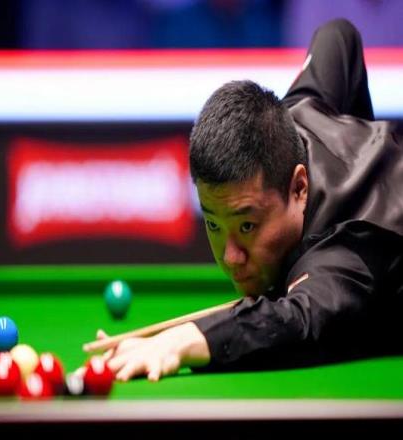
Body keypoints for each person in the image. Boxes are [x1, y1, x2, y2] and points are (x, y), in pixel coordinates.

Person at [94, 18, 403, 381]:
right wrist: (356, 137)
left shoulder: (346, 247)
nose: (230, 257)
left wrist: (186, 340)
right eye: (213, 224)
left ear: (299, 188)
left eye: (246, 226)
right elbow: (338, 35)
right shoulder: (294, 118)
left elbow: (298, 320)